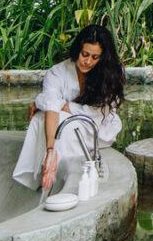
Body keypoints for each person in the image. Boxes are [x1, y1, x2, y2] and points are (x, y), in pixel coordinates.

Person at [12, 24, 125, 192]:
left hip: (99, 130)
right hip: (66, 130)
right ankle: (49, 168)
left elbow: (95, 115)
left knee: (63, 119)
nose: (88, 61)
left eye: (95, 57)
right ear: (77, 49)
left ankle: (64, 182)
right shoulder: (57, 72)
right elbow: (51, 107)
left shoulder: (111, 75)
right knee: (41, 117)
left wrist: (60, 105)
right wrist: (50, 151)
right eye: (84, 54)